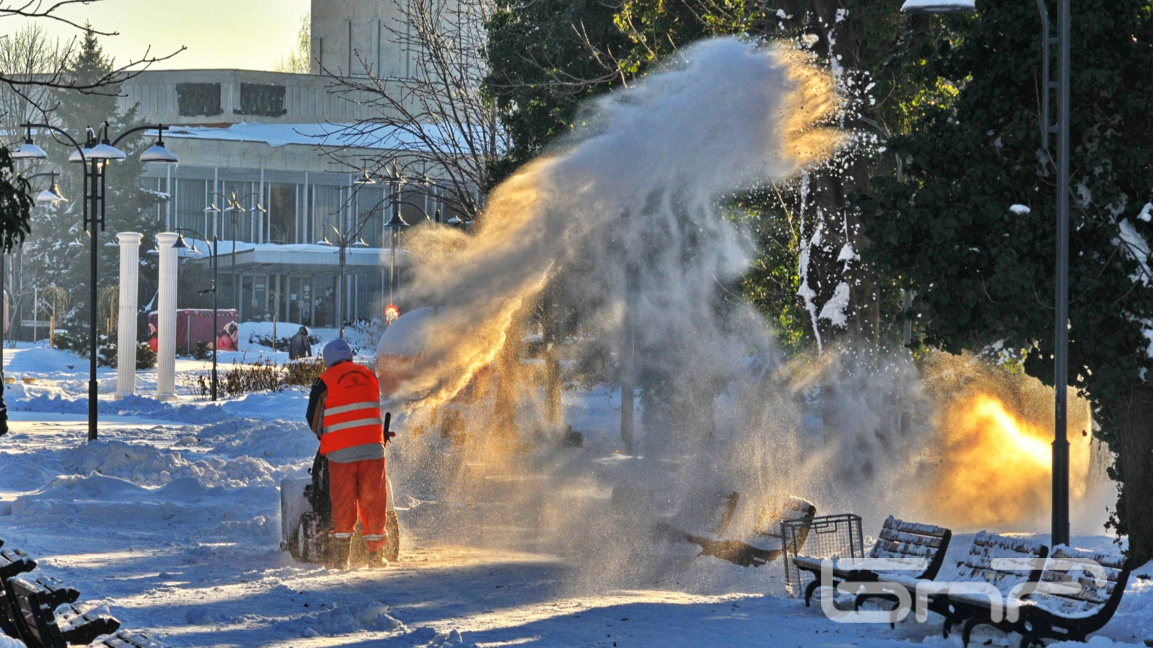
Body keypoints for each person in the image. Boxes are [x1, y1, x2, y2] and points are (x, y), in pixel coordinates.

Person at [306, 338, 389, 569]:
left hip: (341, 453)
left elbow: (313, 418)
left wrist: (325, 434)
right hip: (373, 448)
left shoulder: (323, 381)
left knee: (344, 502)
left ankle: (341, 558)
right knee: (373, 501)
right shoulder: (369, 375)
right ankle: (376, 556)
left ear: (327, 359)